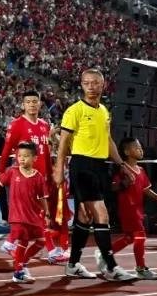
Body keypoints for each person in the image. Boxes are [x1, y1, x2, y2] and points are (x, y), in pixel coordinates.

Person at [54, 68, 137, 282]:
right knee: (102, 215)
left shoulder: (104, 111)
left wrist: (122, 165)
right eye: (87, 83)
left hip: (100, 167)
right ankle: (110, 266)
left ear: (103, 85)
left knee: (85, 217)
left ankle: (73, 264)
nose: (91, 87)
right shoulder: (74, 111)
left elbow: (108, 141)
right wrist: (58, 169)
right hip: (82, 166)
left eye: (95, 83)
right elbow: (63, 143)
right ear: (81, 85)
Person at [0, 90, 66, 262]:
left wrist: (50, 174)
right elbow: (6, 150)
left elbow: (46, 151)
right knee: (35, 215)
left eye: (35, 101)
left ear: (40, 103)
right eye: (28, 102)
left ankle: (20, 252)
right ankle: (49, 250)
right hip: (23, 177)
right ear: (23, 105)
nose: (32, 105)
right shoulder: (16, 124)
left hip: (41, 177)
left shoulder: (44, 125)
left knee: (39, 215)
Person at [0, 142, 50, 283]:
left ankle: (21, 264)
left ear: (34, 158)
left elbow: (42, 197)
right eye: (19, 156)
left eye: (25, 156)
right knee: (22, 239)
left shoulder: (38, 177)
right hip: (17, 216)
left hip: (33, 215)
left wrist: (47, 213)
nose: (21, 159)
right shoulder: (12, 172)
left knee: (41, 242)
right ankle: (15, 261)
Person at [104, 138, 157, 280]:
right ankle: (141, 268)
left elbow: (145, 189)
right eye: (137, 148)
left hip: (138, 209)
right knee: (140, 236)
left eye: (141, 147)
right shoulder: (123, 169)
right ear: (126, 152)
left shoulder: (141, 170)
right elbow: (113, 186)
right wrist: (124, 182)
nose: (141, 150)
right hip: (128, 209)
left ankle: (105, 254)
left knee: (129, 238)